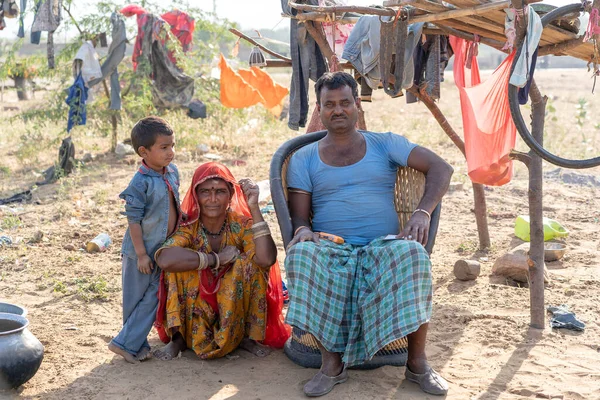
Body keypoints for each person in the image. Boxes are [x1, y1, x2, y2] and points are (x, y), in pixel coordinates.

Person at [285, 71, 454, 397]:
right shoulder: (304, 158)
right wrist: (304, 230)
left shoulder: (384, 143)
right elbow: (299, 216)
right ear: (319, 109)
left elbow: (441, 168)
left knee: (415, 254)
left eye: (345, 102)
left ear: (356, 105)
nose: (338, 110)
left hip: (384, 246)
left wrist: (422, 211)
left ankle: (417, 365)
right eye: (329, 104)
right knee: (300, 254)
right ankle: (331, 365)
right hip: (333, 247)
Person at [153, 162, 279, 360]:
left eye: (220, 191)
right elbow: (165, 258)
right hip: (198, 305)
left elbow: (266, 259)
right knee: (177, 267)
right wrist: (215, 260)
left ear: (230, 195)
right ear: (196, 195)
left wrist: (253, 207)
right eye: (205, 192)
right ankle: (178, 338)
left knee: (249, 265)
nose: (212, 199)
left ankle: (246, 336)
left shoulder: (241, 224)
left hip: (234, 300)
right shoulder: (189, 227)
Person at [108, 116, 181, 364]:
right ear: (144, 151)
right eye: (164, 147)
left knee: (154, 296)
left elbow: (174, 206)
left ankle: (128, 343)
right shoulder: (139, 183)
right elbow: (134, 221)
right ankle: (129, 346)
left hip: (164, 251)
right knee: (135, 299)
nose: (171, 152)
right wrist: (141, 254)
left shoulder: (172, 173)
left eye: (172, 145)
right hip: (140, 252)